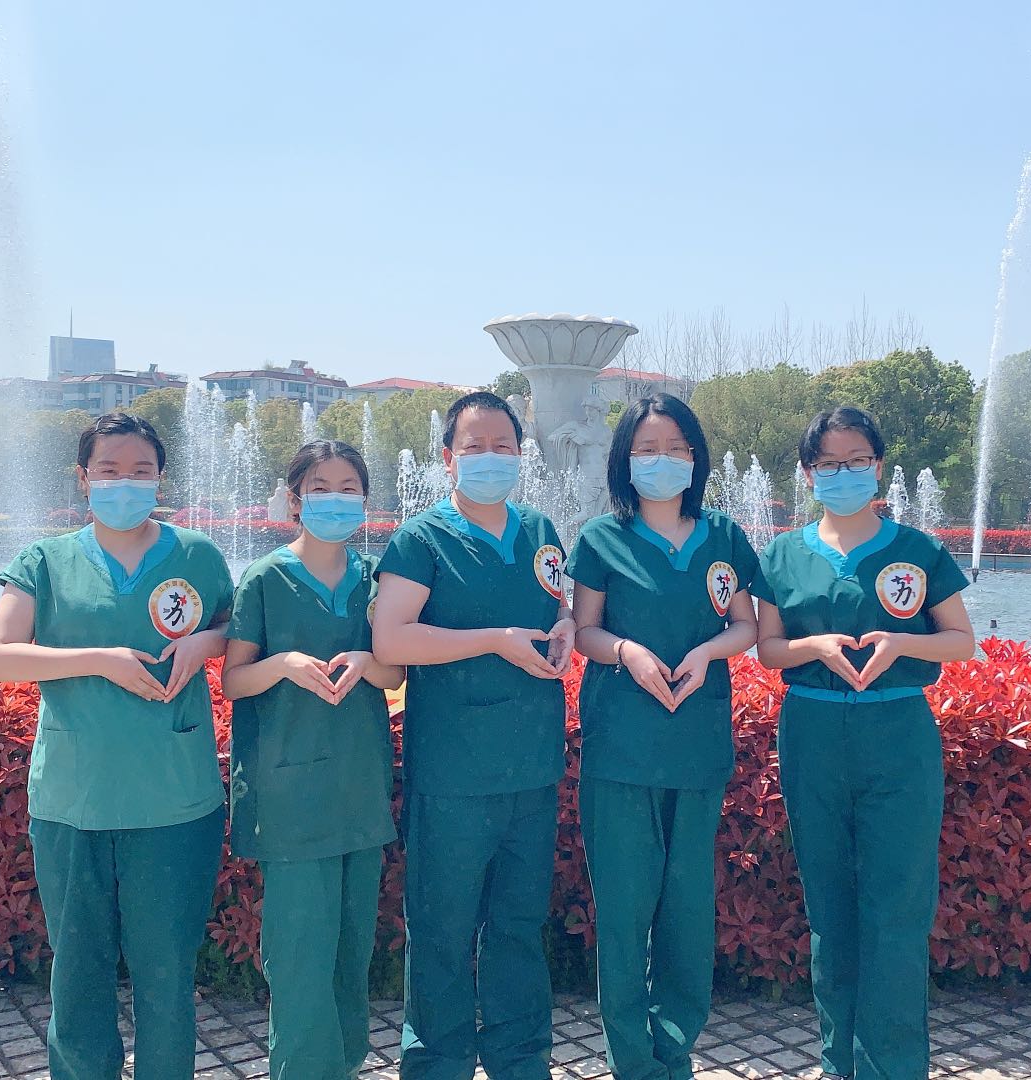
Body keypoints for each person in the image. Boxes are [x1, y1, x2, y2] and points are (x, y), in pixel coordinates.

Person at [0, 412, 234, 1080]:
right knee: (78, 974)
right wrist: (100, 659)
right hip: (75, 801)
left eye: (141, 471)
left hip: (175, 801)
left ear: (160, 479)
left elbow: (240, 633)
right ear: (83, 477)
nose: (125, 483)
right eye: (110, 470)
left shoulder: (197, 556)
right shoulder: (45, 562)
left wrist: (205, 642)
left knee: (168, 975)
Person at [752, 406, 975, 1080]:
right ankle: (838, 1064)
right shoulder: (783, 554)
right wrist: (813, 647)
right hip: (813, 733)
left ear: (878, 467)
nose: (843, 474)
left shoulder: (917, 550)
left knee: (897, 908)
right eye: (829, 464)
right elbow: (767, 650)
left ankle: (893, 1067)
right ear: (808, 473)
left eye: (856, 461)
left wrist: (903, 643)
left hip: (898, 732)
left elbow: (962, 641)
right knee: (829, 908)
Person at [371, 391, 574, 1080]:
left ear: (520, 454)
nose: (491, 458)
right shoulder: (421, 540)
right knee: (442, 931)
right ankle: (437, 1063)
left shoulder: (540, 529)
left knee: (519, 926)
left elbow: (555, 605)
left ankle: (521, 1059)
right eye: (475, 446)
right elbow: (391, 638)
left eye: (503, 447)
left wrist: (566, 626)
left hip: (532, 767)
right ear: (448, 457)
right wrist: (492, 639)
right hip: (454, 773)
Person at [564, 394, 760, 1080]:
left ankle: (674, 1054)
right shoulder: (601, 539)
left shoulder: (723, 536)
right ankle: (633, 1062)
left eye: (677, 448)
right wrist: (627, 652)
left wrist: (708, 652)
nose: (663, 460)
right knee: (622, 916)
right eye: (647, 449)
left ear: (697, 458)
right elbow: (584, 630)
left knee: (686, 912)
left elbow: (747, 625)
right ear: (625, 460)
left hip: (696, 748)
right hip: (621, 751)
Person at [224, 439, 403, 1080]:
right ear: (295, 499)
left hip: (358, 786)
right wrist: (283, 665)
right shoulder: (265, 579)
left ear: (365, 500)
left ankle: (345, 1065)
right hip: (290, 796)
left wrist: (368, 661)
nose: (335, 499)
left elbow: (395, 672)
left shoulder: (376, 579)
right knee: (300, 953)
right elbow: (234, 680)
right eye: (320, 487)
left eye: (348, 487)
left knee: (351, 951)